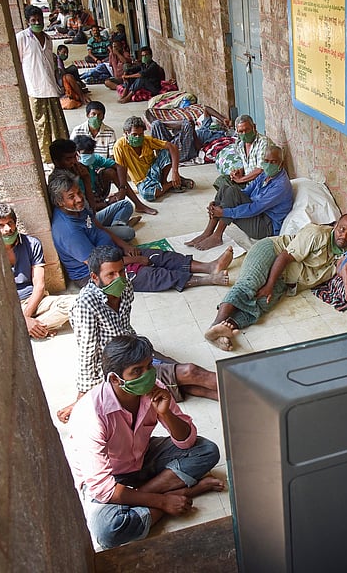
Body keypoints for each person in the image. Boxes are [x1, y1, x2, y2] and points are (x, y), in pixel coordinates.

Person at [68, 334, 224, 549]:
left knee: (207, 451)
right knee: (107, 531)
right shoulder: (91, 414)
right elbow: (103, 489)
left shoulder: (155, 388)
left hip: (140, 457)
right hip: (110, 474)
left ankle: (142, 497)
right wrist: (163, 502)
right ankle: (182, 492)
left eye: (149, 366)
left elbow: (186, 442)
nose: (148, 375)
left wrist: (166, 413)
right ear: (115, 379)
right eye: (137, 371)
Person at [59, 246, 222, 422]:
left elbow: (125, 327)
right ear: (94, 277)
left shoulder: (125, 286)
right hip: (119, 369)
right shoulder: (86, 305)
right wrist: (82, 397)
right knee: (191, 372)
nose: (119, 278)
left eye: (121, 271)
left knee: (184, 383)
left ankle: (238, 396)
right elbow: (87, 353)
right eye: (111, 275)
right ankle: (247, 388)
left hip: (133, 350)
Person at [48, 171, 232, 290]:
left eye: (78, 193)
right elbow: (97, 266)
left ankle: (209, 267)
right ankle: (206, 280)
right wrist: (133, 260)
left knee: (158, 256)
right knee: (149, 275)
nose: (79, 198)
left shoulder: (79, 209)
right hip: (98, 274)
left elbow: (99, 227)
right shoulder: (67, 231)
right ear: (59, 202)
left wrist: (124, 247)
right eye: (71, 197)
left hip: (114, 253)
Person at [205, 215, 347, 351]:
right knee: (250, 284)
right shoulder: (317, 234)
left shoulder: (343, 253)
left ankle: (223, 330)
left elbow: (345, 263)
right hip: (271, 252)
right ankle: (215, 324)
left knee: (261, 305)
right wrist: (269, 286)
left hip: (285, 279)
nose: (344, 236)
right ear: (335, 225)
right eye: (342, 229)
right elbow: (285, 256)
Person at [186, 145, 293, 250]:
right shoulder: (265, 174)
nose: (269, 165)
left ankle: (217, 236)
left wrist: (224, 212)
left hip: (265, 227)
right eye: (266, 161)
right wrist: (219, 203)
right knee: (225, 189)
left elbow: (255, 208)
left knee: (232, 192)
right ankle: (208, 232)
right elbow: (245, 192)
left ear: (281, 164)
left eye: (273, 162)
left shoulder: (281, 185)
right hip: (257, 214)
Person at [0, 203, 74, 338]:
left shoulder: (32, 244)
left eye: (10, 223)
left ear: (15, 223)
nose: (7, 229)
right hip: (9, 308)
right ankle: (36, 328)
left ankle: (29, 329)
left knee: (74, 303)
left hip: (34, 301)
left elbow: (39, 285)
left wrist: (25, 318)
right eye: (1, 225)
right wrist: (23, 319)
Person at [49, 139, 138, 241]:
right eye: (68, 159)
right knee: (129, 233)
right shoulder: (62, 182)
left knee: (125, 204)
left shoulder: (76, 170)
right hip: (85, 225)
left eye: (74, 157)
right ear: (57, 161)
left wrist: (86, 178)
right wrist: (86, 180)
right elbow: (89, 213)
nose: (73, 161)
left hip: (90, 218)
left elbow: (91, 211)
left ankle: (117, 226)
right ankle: (117, 228)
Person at [16, 5, 68, 164]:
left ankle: (61, 153)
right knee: (41, 125)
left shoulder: (48, 38)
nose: (37, 22)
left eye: (39, 19)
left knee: (57, 124)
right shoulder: (22, 38)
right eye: (33, 20)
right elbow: (18, 62)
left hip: (50, 87)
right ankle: (46, 157)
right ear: (27, 22)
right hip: (35, 89)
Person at [74, 134, 159, 217]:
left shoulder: (94, 159)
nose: (90, 155)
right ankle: (113, 217)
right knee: (116, 207)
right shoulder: (73, 171)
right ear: (77, 154)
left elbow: (120, 167)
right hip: (85, 200)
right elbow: (80, 201)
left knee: (110, 172)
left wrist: (122, 189)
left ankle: (138, 204)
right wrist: (106, 203)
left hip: (96, 192)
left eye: (91, 152)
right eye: (86, 153)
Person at [112, 116, 193, 201]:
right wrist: (122, 189)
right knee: (147, 194)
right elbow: (121, 170)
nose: (138, 137)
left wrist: (175, 172)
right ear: (126, 133)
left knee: (167, 151)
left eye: (140, 135)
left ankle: (164, 182)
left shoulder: (147, 141)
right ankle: (172, 184)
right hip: (142, 181)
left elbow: (172, 147)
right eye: (134, 135)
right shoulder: (119, 147)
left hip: (154, 171)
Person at [213, 114, 272, 190]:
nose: (244, 134)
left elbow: (260, 170)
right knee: (222, 180)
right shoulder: (240, 144)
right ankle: (222, 201)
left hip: (258, 184)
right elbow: (246, 165)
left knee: (231, 191)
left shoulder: (263, 142)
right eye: (241, 131)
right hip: (247, 181)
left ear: (254, 127)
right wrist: (239, 172)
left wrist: (241, 179)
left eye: (247, 130)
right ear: (237, 131)